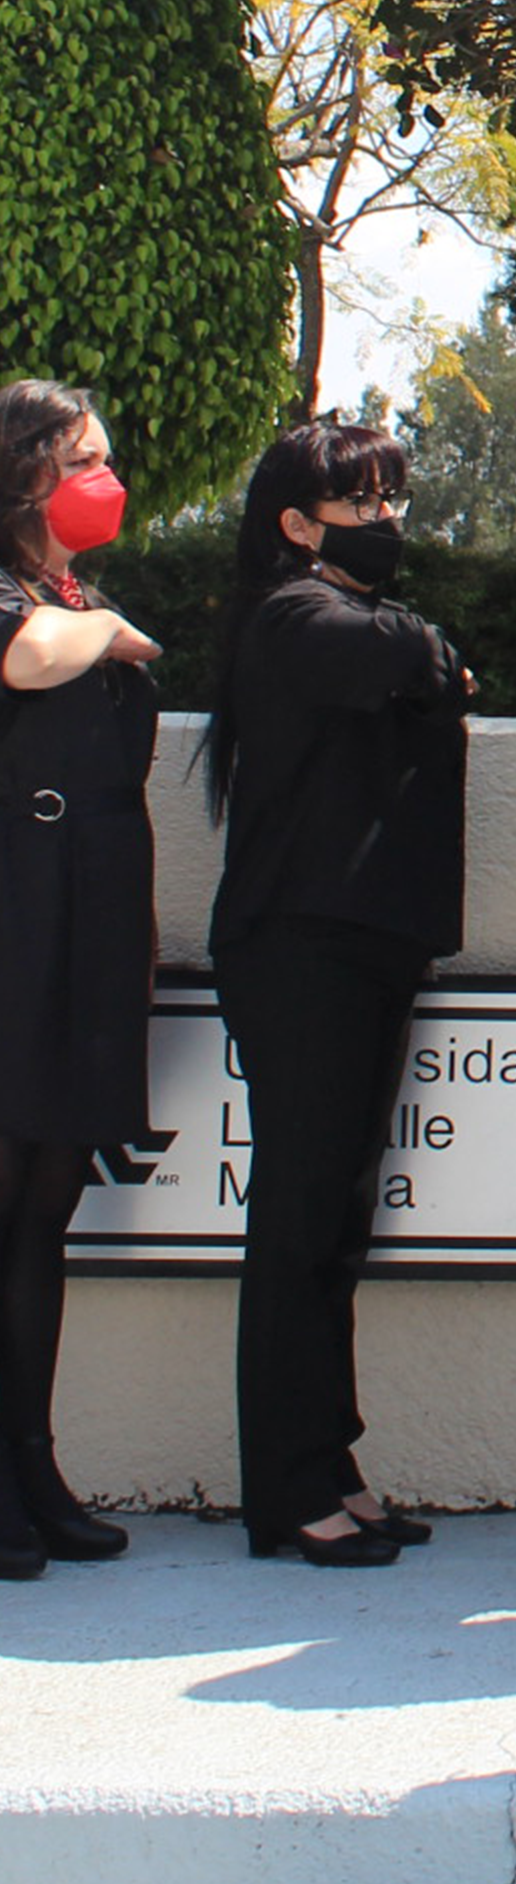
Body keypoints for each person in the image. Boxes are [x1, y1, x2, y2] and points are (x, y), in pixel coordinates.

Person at [208, 421, 471, 1566]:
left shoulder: (332, 617)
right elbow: (414, 658)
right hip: (302, 950)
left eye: (393, 500)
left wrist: (428, 661)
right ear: (297, 525)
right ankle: (287, 1491)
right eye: (364, 506)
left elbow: (431, 664)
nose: (388, 525)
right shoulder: (292, 618)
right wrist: (426, 658)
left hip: (359, 946)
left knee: (337, 1225)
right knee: (301, 1221)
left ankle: (330, 1462)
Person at [0, 382, 159, 1580]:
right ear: (29, 471)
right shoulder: (36, 608)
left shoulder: (74, 594)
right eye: (84, 459)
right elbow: (25, 659)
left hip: (86, 922)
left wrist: (96, 620)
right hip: (18, 924)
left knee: (45, 1208)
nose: (104, 479)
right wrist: (104, 633)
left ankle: (32, 1466)